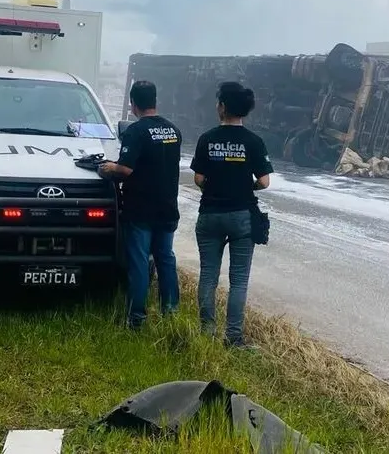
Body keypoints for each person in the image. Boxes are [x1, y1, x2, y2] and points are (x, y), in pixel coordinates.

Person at [190, 81, 273, 348]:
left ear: (222, 107)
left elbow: (198, 178)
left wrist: (214, 186)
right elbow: (264, 182)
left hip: (210, 213)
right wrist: (243, 186)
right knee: (238, 280)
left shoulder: (207, 138)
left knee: (208, 275)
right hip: (241, 216)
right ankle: (234, 338)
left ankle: (207, 332)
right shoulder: (254, 141)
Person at [98, 80, 182, 330]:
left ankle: (136, 319)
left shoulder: (135, 132)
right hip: (167, 208)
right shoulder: (173, 131)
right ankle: (171, 313)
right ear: (155, 101)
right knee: (166, 260)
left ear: (133, 104)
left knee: (138, 262)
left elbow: (125, 169)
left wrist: (108, 168)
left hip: (141, 210)